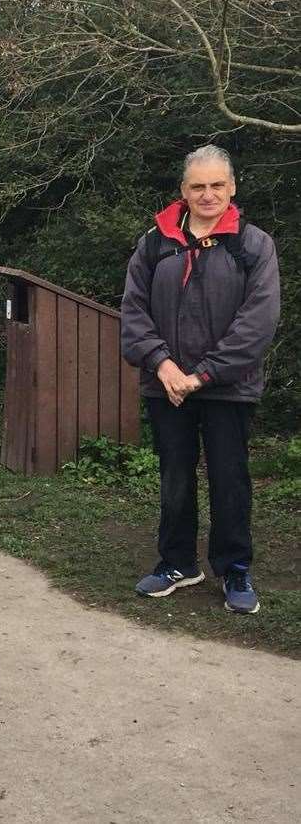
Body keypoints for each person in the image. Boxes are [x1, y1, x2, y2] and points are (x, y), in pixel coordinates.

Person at [121, 144, 280, 614]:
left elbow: (259, 321)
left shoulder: (253, 245)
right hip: (165, 385)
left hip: (228, 387)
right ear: (183, 191)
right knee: (174, 475)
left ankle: (234, 569)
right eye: (198, 186)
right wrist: (164, 365)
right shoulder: (155, 242)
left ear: (231, 188)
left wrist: (204, 374)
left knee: (230, 478)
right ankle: (177, 562)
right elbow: (133, 312)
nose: (207, 194)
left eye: (216, 185)